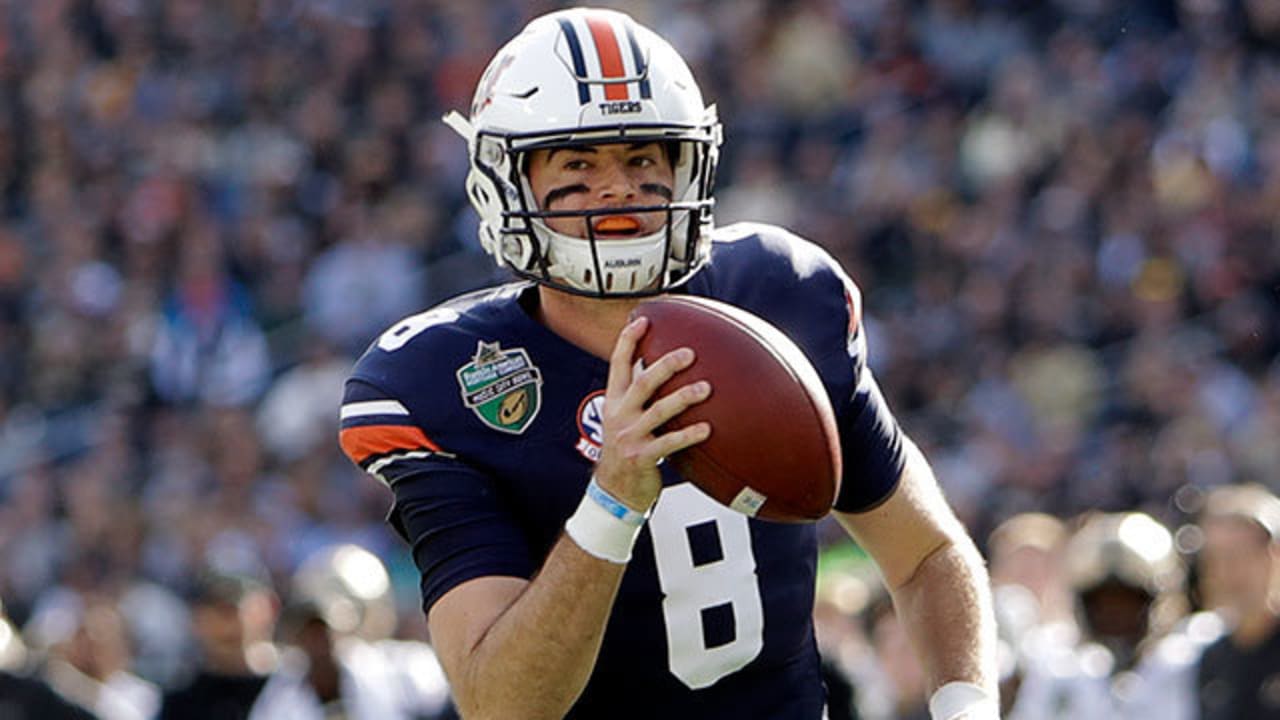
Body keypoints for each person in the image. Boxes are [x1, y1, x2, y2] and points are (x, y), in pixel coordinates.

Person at [338, 8, 998, 718]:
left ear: (689, 166)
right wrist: (613, 497)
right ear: (508, 183)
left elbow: (927, 555)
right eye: (578, 163)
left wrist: (966, 707)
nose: (616, 188)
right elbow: (502, 705)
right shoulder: (443, 380)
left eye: (642, 158)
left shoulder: (778, 294)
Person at [1193, 483, 1280, 719]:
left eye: (1238, 556)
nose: (1226, 572)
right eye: (1214, 558)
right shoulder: (1211, 657)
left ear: (1273, 555)